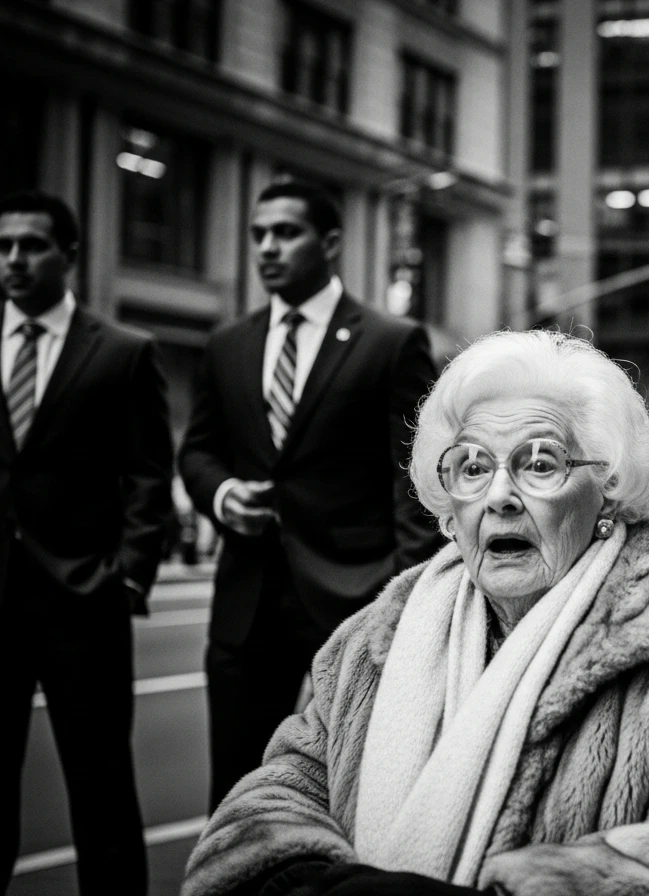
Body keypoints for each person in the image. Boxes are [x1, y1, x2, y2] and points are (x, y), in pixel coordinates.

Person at [181, 331, 649, 896]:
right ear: (446, 500)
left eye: (539, 464)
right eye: (470, 467)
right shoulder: (375, 636)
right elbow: (263, 809)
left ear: (608, 488)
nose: (498, 496)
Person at [179, 180, 443, 809]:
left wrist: (399, 599)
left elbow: (417, 476)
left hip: (355, 604)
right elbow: (197, 451)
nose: (268, 247)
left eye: (285, 233)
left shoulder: (390, 342)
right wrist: (221, 495)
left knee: (360, 796)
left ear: (329, 244)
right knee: (237, 797)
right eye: (258, 234)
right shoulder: (227, 345)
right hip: (247, 608)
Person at [0, 191, 173, 895]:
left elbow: (150, 476)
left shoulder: (122, 352)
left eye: (31, 245)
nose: (14, 260)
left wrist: (127, 577)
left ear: (70, 255)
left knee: (101, 792)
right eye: (4, 246)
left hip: (83, 603)